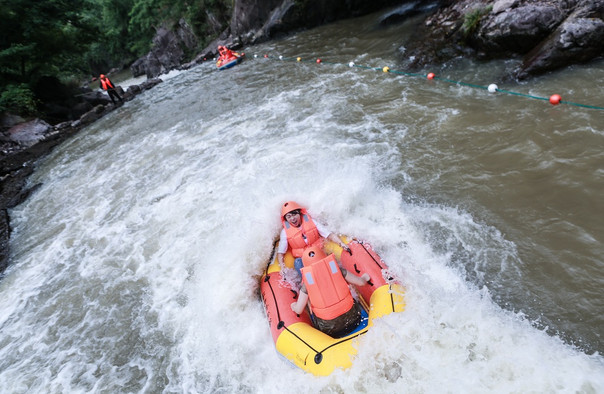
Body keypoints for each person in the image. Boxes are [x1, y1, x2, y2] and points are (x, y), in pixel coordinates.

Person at [290, 246, 371, 337]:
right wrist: (364, 278)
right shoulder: (339, 271)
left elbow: (299, 310)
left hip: (331, 331)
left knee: (308, 295)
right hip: (355, 320)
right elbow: (361, 282)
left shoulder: (306, 284)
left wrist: (293, 306)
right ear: (325, 258)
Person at [277, 201, 350, 277]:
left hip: (318, 253)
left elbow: (329, 235)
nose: (292, 218)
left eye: (294, 214)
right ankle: (307, 282)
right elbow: (281, 252)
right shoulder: (285, 232)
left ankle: (337, 274)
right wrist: (282, 267)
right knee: (297, 262)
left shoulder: (312, 222)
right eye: (289, 217)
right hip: (303, 259)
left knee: (328, 256)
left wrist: (341, 243)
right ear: (286, 219)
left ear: (300, 213)